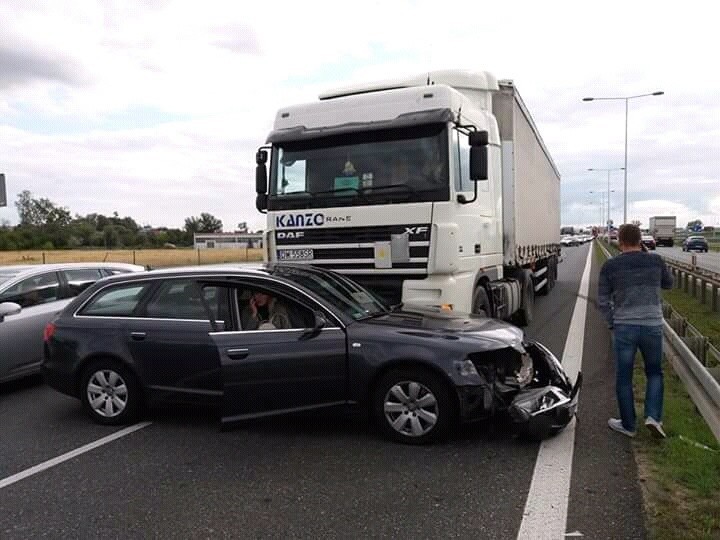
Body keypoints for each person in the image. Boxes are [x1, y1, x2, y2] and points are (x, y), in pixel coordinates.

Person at [599, 224, 673, 438]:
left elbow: (603, 300)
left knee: (624, 377)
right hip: (652, 325)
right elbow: (669, 284)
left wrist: (613, 321)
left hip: (624, 326)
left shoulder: (610, 266)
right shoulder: (655, 261)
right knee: (655, 372)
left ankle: (629, 425)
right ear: (640, 239)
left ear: (620, 241)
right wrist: (649, 257)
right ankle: (653, 417)